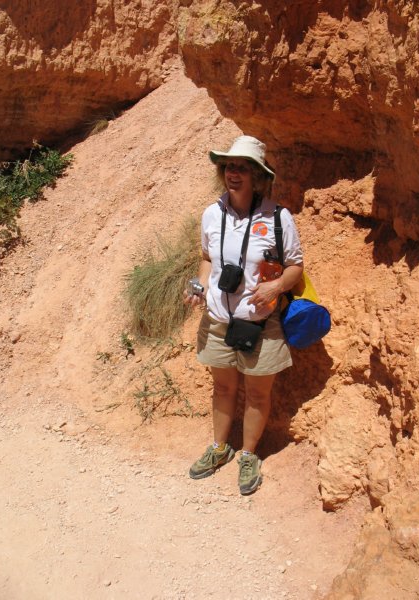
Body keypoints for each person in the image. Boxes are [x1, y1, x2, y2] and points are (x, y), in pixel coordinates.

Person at [184, 135, 303, 495]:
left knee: (257, 395)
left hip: (260, 322)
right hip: (219, 319)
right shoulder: (211, 214)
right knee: (223, 387)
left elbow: (295, 267)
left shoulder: (278, 217)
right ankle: (220, 447)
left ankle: (248, 455)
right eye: (228, 167)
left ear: (257, 176)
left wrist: (275, 286)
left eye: (242, 168)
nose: (233, 173)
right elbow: (207, 258)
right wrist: (198, 285)